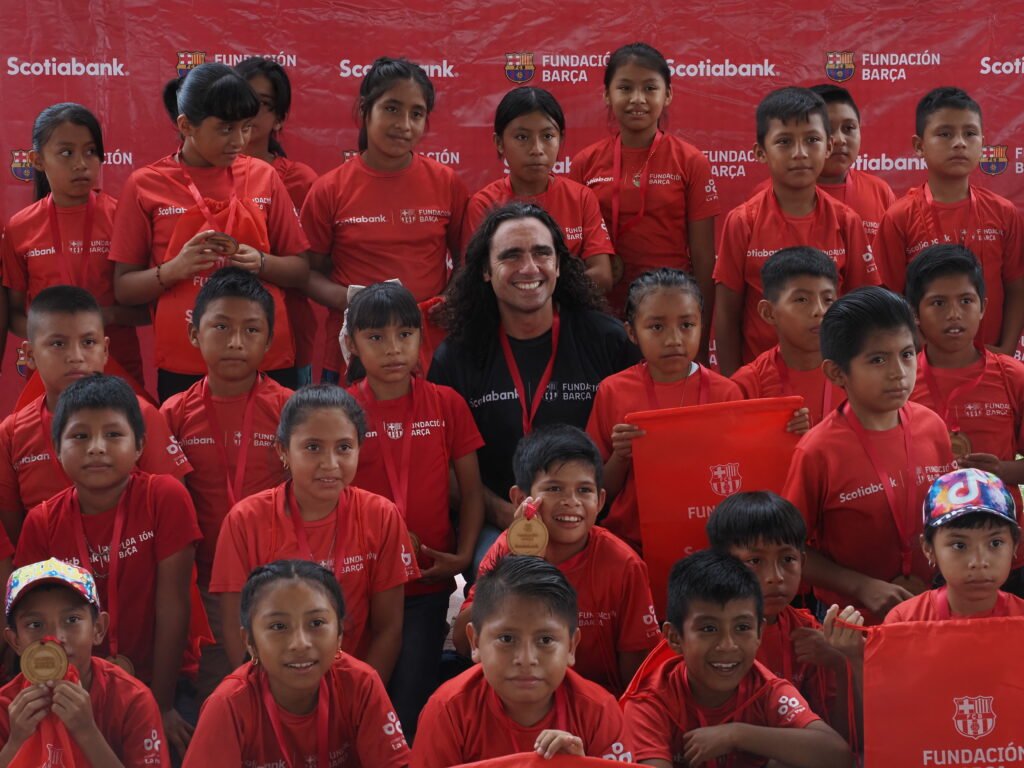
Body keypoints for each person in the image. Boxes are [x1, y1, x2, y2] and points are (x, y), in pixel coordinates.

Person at [429, 201, 639, 562]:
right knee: (504, 575)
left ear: (558, 265)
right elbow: (442, 466)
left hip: (596, 519)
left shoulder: (607, 340)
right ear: (485, 270)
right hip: (501, 523)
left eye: (542, 253)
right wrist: (505, 515)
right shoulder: (457, 356)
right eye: (511, 255)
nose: (529, 267)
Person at [13, 375, 202, 759]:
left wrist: (161, 704)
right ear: (56, 448)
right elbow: (35, 620)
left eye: (113, 435)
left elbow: (173, 606)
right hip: (71, 684)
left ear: (140, 446)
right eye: (80, 436)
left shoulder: (164, 497)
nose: (96, 447)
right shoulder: (42, 522)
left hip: (159, 680)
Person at [109, 62, 310, 400]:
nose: (239, 141)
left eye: (246, 127)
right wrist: (175, 269)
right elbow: (124, 289)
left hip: (264, 356)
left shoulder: (264, 176)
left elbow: (300, 269)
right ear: (186, 125)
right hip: (185, 363)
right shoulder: (145, 185)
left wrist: (261, 262)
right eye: (226, 129)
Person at [344, 281, 484, 741]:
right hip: (361, 585)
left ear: (421, 338)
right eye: (376, 337)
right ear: (352, 344)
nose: (393, 348)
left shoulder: (446, 403)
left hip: (426, 583)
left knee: (407, 706)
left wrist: (463, 557)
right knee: (360, 698)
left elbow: (472, 492)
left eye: (405, 334)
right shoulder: (343, 410)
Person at [210, 385, 418, 684]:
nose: (330, 463)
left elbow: (388, 629)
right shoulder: (245, 521)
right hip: (271, 685)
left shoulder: (382, 516)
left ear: (359, 448)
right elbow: (236, 628)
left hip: (356, 685)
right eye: (312, 447)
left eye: (344, 447)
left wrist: (358, 695)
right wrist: (271, 694)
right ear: (283, 450)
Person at [782, 287, 956, 623]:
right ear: (836, 373)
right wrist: (860, 586)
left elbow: (949, 515)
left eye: (907, 354)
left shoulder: (932, 427)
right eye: (878, 359)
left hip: (930, 606)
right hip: (851, 619)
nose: (898, 372)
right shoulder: (818, 451)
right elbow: (789, 549)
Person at [160, 267, 293, 697]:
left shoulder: (292, 411)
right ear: (193, 333)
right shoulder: (173, 414)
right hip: (208, 587)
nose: (236, 341)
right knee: (224, 694)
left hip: (282, 575)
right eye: (221, 327)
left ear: (269, 340)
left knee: (287, 686)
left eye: (251, 330)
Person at [452, 425, 659, 696]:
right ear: (519, 499)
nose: (571, 501)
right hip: (520, 701)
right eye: (554, 488)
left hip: (599, 704)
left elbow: (638, 679)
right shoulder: (508, 548)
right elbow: (463, 642)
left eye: (584, 490)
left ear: (600, 501)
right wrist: (517, 568)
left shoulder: (624, 564)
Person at [301, 56, 467, 383]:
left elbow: (467, 260)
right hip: (353, 350)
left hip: (429, 347)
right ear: (366, 110)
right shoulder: (329, 189)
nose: (404, 124)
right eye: (392, 108)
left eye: (416, 114)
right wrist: (352, 300)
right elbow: (306, 273)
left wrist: (449, 297)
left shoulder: (446, 182)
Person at [622, 550, 851, 768]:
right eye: (709, 628)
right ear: (674, 638)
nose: (727, 645)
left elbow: (838, 755)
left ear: (759, 633)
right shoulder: (649, 703)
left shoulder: (766, 689)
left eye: (742, 627)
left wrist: (737, 735)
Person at [0, 286, 191, 545]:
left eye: (88, 342)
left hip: (137, 568)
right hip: (51, 569)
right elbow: (14, 537)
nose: (76, 357)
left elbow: (176, 520)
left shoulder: (142, 415)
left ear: (105, 350)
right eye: (58, 344)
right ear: (30, 355)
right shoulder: (11, 434)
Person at [713, 86, 879, 376]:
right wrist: (733, 386)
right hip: (761, 382)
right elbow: (727, 313)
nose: (800, 153)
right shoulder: (743, 222)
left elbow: (863, 308)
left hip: (832, 378)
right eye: (784, 142)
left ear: (828, 146)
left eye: (812, 140)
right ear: (761, 152)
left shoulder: (846, 221)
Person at [413, 555, 634, 768]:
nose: (526, 659)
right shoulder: (447, 711)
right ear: (475, 642)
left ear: (571, 647)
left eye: (545, 640)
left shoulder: (600, 712)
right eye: (506, 639)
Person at [185, 560, 410, 767]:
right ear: (250, 642)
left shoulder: (361, 684)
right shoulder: (228, 704)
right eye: (278, 626)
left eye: (316, 623)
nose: (300, 643)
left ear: (339, 634)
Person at [586, 269, 744, 552]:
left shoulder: (726, 393)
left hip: (710, 543)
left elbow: (740, 476)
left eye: (687, 325)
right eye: (657, 327)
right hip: (634, 544)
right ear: (632, 333)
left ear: (702, 325)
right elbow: (597, 490)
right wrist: (621, 457)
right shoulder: (613, 391)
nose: (674, 339)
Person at [570, 42, 719, 333]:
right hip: (603, 314)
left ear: (668, 95)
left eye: (650, 88)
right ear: (607, 94)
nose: (637, 99)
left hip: (669, 313)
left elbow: (703, 258)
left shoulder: (691, 162)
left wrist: (700, 336)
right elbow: (575, 254)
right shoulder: (584, 163)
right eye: (625, 88)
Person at [874, 87, 1024, 356]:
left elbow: (1016, 287)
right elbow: (892, 298)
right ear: (919, 146)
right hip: (924, 362)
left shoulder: (1003, 212)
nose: (959, 143)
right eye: (945, 134)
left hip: (992, 358)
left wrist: (1006, 349)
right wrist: (921, 350)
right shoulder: (899, 217)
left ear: (982, 142)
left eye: (970, 133)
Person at [1, 103, 145, 381]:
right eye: (67, 153)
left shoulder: (122, 217)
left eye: (90, 151)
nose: (81, 163)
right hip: (50, 374)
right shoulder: (19, 227)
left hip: (116, 370)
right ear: (37, 160)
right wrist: (53, 332)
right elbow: (14, 313)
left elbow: (148, 310)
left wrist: (108, 316)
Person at [0, 558, 168, 766]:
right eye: (35, 624)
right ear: (15, 641)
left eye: (72, 620)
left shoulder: (133, 700)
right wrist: (16, 741)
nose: (55, 638)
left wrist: (87, 732)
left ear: (98, 629)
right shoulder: (5, 706)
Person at [707, 492, 848, 732]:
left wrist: (841, 663)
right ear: (722, 566)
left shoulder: (809, 633)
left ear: (803, 563)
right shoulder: (703, 636)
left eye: (788, 559)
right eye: (754, 561)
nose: (775, 577)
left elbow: (839, 738)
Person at [464, 86, 613, 293]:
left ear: (561, 139)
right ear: (499, 142)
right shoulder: (484, 204)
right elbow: (477, 280)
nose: (537, 149)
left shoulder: (581, 198)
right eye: (522, 137)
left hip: (570, 311)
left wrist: (536, 290)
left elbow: (602, 276)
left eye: (547, 136)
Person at [235, 56, 320, 388]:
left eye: (263, 104)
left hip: (287, 335)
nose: (249, 110)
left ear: (280, 118)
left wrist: (261, 262)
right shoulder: (200, 177)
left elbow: (311, 267)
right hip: (221, 331)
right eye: (242, 98)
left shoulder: (300, 181)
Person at [731, 247, 846, 426]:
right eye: (802, 300)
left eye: (828, 300)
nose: (819, 311)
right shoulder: (747, 385)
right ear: (768, 312)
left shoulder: (857, 372)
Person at [808, 84, 895, 242]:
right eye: (827, 130)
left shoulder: (880, 192)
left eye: (849, 128)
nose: (839, 140)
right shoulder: (776, 194)